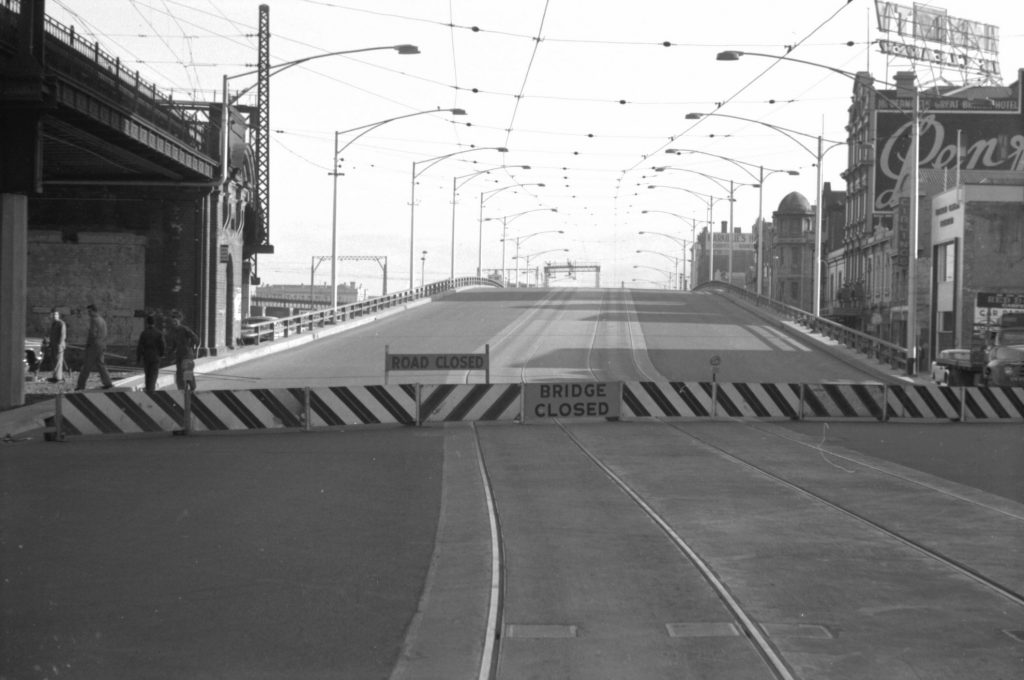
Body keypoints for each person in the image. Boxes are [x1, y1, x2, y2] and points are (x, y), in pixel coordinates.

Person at [75, 304, 114, 390]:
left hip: (93, 346)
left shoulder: (94, 320)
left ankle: (80, 386)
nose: (88, 313)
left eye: (89, 311)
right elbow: (105, 333)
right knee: (101, 365)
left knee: (86, 366)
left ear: (93, 311)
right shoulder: (102, 320)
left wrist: (88, 345)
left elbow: (92, 334)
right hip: (101, 345)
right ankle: (108, 383)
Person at [164, 311, 199, 391]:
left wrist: (191, 347)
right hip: (179, 355)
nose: (174, 322)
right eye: (173, 321)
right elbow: (174, 345)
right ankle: (183, 390)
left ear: (179, 321)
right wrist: (169, 353)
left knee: (187, 373)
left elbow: (195, 338)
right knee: (179, 374)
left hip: (187, 354)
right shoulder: (173, 331)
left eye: (175, 320)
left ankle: (192, 389)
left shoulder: (185, 329)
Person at [136, 315, 165, 394]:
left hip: (146, 356)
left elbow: (140, 346)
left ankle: (148, 388)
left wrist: (138, 358)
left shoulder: (144, 333)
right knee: (154, 374)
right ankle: (151, 390)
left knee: (147, 374)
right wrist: (161, 354)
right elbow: (162, 345)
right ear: (154, 323)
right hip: (156, 356)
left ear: (147, 323)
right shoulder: (159, 333)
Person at [44, 308, 67, 383]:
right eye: (53, 314)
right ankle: (55, 376)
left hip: (58, 346)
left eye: (56, 314)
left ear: (58, 315)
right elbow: (51, 335)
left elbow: (62, 335)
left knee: (58, 362)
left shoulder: (61, 323)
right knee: (54, 361)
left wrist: (59, 345)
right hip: (53, 345)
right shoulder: (53, 324)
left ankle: (58, 378)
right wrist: (50, 343)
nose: (54, 316)